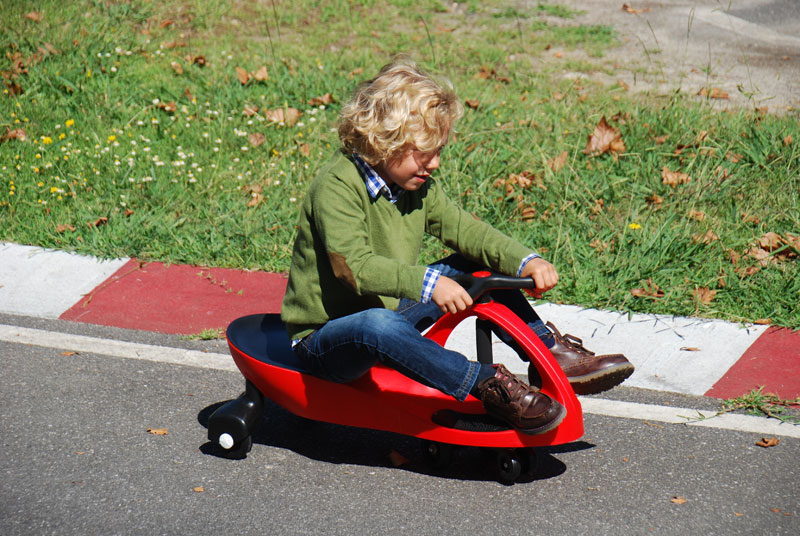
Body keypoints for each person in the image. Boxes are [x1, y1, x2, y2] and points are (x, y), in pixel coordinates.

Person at [281, 57, 633, 435]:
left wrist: (524, 260)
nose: (433, 164)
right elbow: (354, 268)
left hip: (388, 311)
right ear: (383, 138)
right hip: (326, 339)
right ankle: (486, 385)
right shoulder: (337, 186)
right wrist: (429, 284)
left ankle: (548, 352)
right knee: (377, 323)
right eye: (423, 152)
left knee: (473, 264)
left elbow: (466, 231)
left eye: (439, 152)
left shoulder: (415, 185)